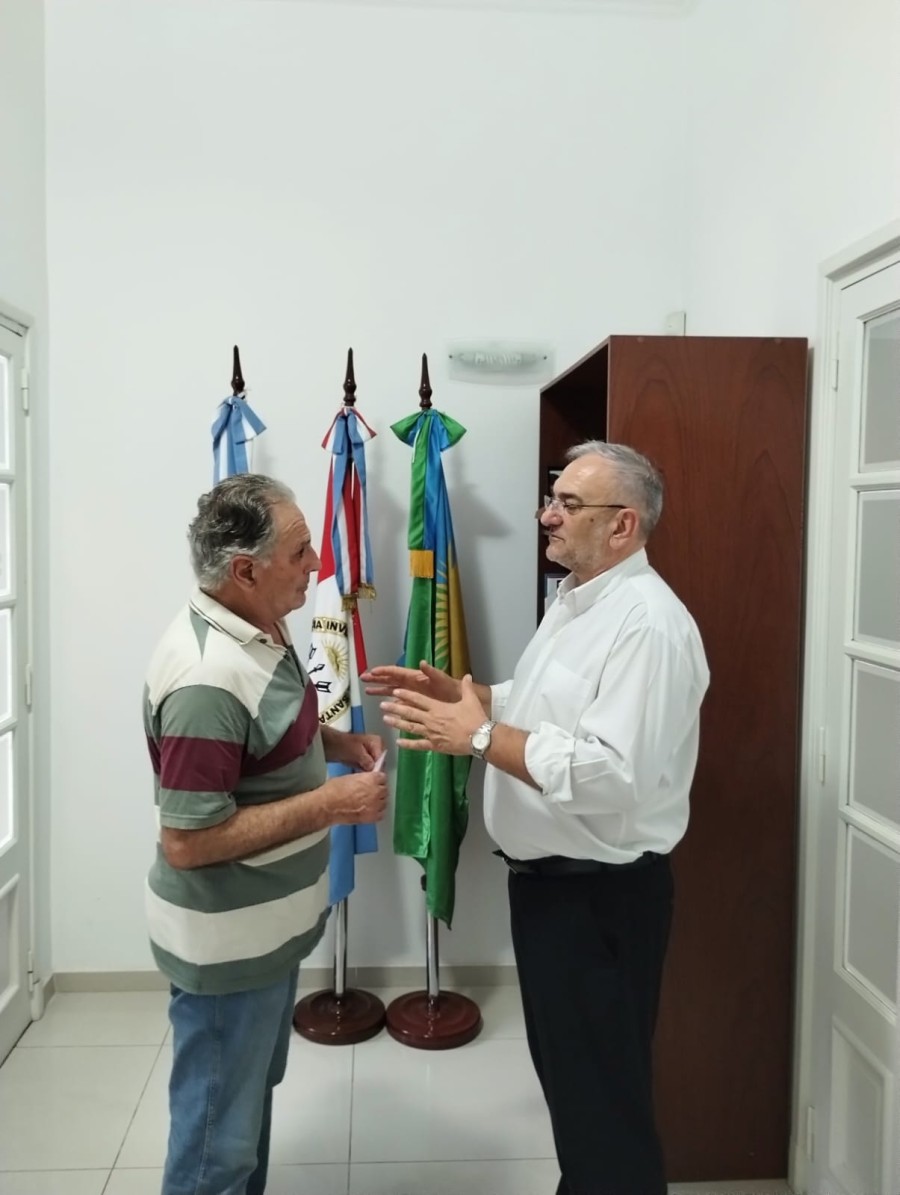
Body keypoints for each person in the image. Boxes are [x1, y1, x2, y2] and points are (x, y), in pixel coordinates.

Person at [364, 441, 709, 1195]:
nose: (546, 514)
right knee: (579, 1094)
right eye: (551, 498)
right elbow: (542, 698)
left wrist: (481, 738)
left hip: (601, 899)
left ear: (624, 526)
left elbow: (610, 773)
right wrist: (473, 696)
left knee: (604, 1101)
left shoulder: (648, 624)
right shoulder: (578, 599)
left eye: (567, 504)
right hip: (554, 890)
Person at [143, 473, 387, 1195]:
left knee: (243, 1121)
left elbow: (273, 734)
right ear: (245, 569)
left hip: (267, 935)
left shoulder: (256, 627)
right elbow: (187, 840)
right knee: (216, 1148)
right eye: (301, 551)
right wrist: (330, 805)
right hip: (227, 953)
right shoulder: (206, 677)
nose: (317, 564)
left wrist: (336, 744)